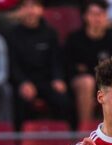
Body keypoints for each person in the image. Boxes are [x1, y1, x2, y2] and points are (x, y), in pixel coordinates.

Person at [7, 0, 71, 128]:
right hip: (23, 82)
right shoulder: (12, 34)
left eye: (34, 6)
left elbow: (56, 60)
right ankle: (21, 142)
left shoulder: (50, 33)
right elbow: (12, 64)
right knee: (20, 102)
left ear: (41, 10)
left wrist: (57, 79)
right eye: (26, 6)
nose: (31, 11)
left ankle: (65, 139)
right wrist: (22, 82)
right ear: (20, 10)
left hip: (47, 81)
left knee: (63, 100)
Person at [64, 0, 112, 125]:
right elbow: (70, 68)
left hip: (106, 81)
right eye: (93, 14)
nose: (97, 18)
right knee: (87, 82)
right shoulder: (75, 39)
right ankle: (85, 129)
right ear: (85, 16)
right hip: (80, 83)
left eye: (101, 14)